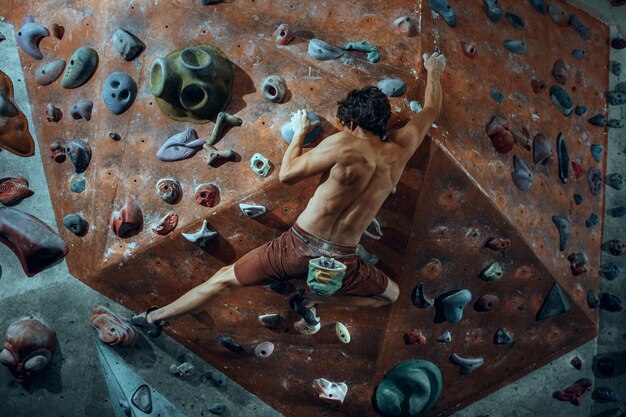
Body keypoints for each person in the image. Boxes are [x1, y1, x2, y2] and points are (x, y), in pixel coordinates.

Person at [132, 51, 446, 337]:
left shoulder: (344, 143)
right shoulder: (400, 151)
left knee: (224, 279)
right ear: (382, 123)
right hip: (343, 260)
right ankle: (312, 299)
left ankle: (153, 318)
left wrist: (297, 134)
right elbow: (431, 109)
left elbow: (287, 175)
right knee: (388, 295)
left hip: (298, 246)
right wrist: (434, 70)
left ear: (351, 122)